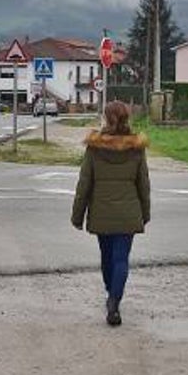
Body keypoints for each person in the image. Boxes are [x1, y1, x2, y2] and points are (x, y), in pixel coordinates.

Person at [71, 100, 151, 326]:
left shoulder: (95, 147)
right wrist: (144, 213)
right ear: (127, 118)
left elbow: (84, 183)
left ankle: (111, 292)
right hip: (129, 213)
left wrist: (78, 215)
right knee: (121, 258)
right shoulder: (136, 148)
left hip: (101, 211)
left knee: (107, 257)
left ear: (106, 119)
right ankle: (114, 300)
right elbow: (143, 184)